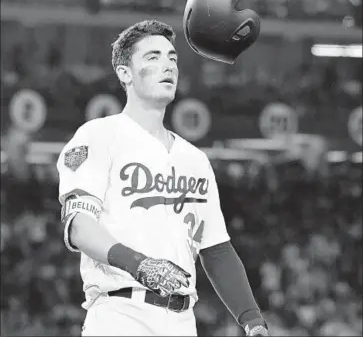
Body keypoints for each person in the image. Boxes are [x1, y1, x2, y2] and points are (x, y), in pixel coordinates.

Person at [57, 20, 268, 336]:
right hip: (120, 314)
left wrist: (252, 320)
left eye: (172, 58)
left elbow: (216, 249)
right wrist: (138, 263)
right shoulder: (99, 135)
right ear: (125, 73)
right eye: (152, 57)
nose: (167, 65)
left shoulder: (194, 159)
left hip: (182, 321)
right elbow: (78, 227)